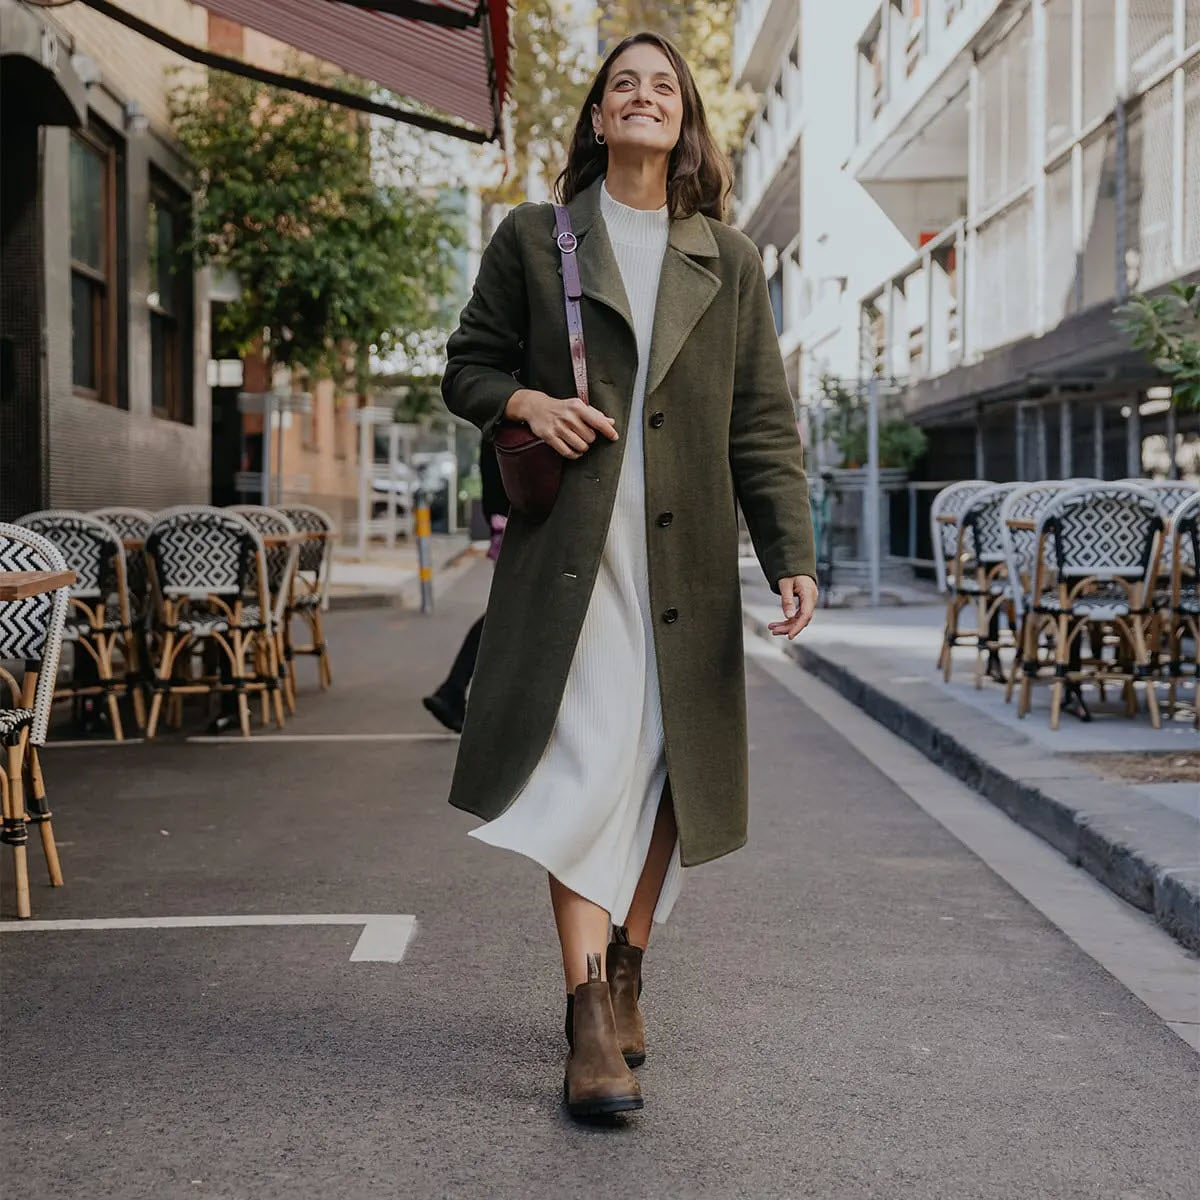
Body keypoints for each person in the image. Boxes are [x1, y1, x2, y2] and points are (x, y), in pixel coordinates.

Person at [440, 31, 819, 1120]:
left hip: (686, 560)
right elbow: (467, 365)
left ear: (685, 121)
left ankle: (633, 961)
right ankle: (587, 1006)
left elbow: (762, 424)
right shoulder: (535, 239)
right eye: (624, 87)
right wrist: (527, 403)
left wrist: (788, 552)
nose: (643, 99)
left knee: (664, 770)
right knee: (589, 764)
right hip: (574, 561)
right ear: (599, 118)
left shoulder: (730, 258)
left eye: (663, 87)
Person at [422, 440, 509, 733]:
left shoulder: (498, 421)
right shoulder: (516, 412)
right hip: (519, 527)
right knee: (508, 617)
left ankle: (454, 691)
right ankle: (453, 691)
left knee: (509, 617)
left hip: (507, 524)